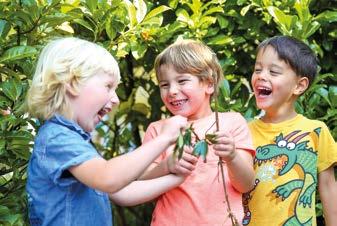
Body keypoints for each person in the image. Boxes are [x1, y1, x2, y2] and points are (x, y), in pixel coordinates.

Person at [25, 37, 194, 226]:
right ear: (72, 84)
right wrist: (164, 138)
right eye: (108, 86)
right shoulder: (57, 137)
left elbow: (120, 192)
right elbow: (109, 179)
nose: (115, 100)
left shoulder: (75, 141)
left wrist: (176, 178)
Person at [139, 39, 256, 225]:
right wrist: (166, 166)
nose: (172, 91)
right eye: (164, 85)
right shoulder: (158, 130)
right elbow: (140, 181)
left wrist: (232, 157)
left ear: (209, 84)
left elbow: (247, 184)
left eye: (182, 81)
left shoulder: (232, 122)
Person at [242, 35, 337, 226]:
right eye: (257, 69)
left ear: (299, 86)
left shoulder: (316, 131)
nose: (261, 75)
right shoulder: (243, 131)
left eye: (273, 71)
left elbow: (328, 187)